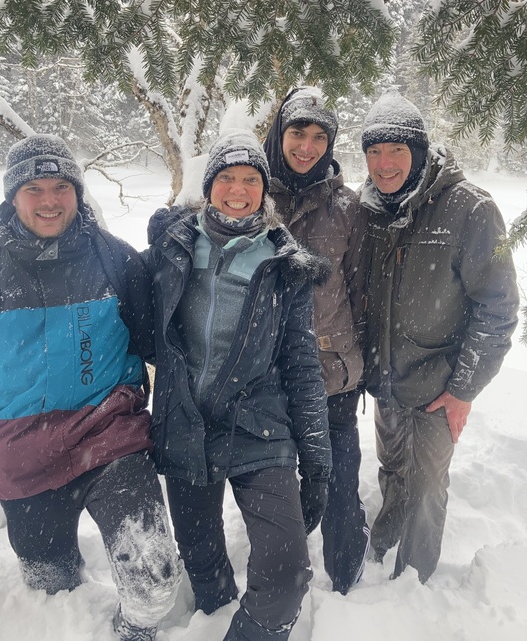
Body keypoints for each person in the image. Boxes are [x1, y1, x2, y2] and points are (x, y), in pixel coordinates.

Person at [0, 134, 181, 641]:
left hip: (110, 439)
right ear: (12, 197)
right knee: (50, 584)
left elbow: (163, 345)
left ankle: (133, 632)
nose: (50, 200)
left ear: (78, 193)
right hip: (22, 455)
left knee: (155, 582)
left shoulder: (117, 262)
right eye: (34, 188)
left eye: (61, 186)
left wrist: (177, 259)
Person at [143, 131, 332, 641]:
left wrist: (316, 463)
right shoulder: (172, 248)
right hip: (185, 427)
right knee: (203, 568)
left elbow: (302, 367)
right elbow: (132, 329)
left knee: (286, 576)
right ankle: (210, 616)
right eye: (226, 177)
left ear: (264, 190)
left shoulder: (283, 265)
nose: (238, 189)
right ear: (208, 187)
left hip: (257, 429)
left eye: (251, 179)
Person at [359, 89, 519, 583]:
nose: (384, 164)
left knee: (427, 488)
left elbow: (498, 307)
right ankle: (381, 546)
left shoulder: (469, 209)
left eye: (397, 151)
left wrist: (462, 390)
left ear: (420, 151)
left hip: (438, 386)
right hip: (386, 382)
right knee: (392, 471)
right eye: (374, 151)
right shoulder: (369, 210)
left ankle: (414, 580)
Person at [263, 86, 370, 595]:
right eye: (297, 133)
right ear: (277, 134)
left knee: (339, 482)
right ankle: (287, 575)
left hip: (333, 373)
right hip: (269, 375)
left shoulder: (348, 207)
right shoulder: (252, 196)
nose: (307, 146)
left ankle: (347, 579)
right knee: (282, 486)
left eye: (319, 136)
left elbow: (360, 286)